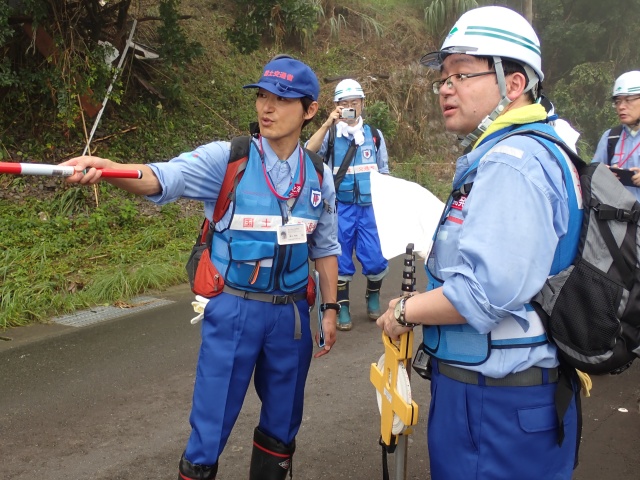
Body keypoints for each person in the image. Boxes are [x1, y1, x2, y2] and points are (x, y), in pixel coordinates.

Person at [61, 55, 341, 480]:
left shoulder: (319, 176)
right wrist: (108, 169)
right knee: (209, 429)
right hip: (234, 310)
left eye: (281, 99)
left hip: (292, 318)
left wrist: (331, 308)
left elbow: (325, 247)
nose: (267, 108)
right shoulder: (228, 160)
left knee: (283, 424)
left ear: (310, 110)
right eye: (262, 96)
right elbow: (161, 178)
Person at [376, 6, 583, 480]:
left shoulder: (513, 162)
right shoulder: (530, 148)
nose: (446, 88)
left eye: (462, 74)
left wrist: (405, 311)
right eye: (443, 78)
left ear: (512, 84)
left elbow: (484, 293)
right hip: (501, 398)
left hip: (497, 405)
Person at [305, 78, 389, 331]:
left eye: (355, 103)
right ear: (336, 106)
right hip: (340, 208)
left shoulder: (374, 136)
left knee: (375, 258)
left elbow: (383, 170)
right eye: (344, 104)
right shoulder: (331, 135)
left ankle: (373, 297)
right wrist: (327, 123)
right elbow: (308, 151)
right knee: (339, 260)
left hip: (369, 207)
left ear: (363, 104)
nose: (351, 108)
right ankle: (341, 307)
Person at [592, 71, 640, 200]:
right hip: (618, 218)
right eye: (617, 101)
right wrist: (603, 175)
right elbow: (590, 177)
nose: (621, 107)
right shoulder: (611, 137)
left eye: (628, 100)